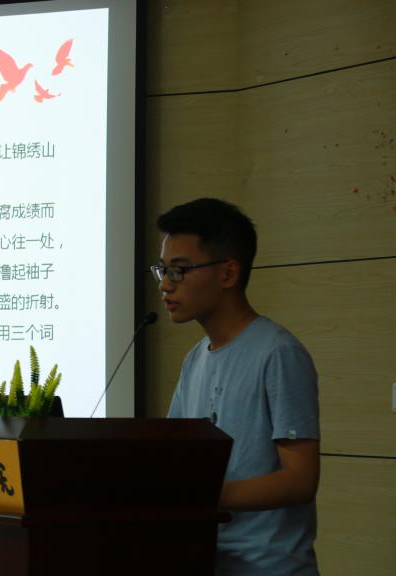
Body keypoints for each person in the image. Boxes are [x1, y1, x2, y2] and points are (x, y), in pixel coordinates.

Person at [154, 198, 320, 575]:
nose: (165, 285)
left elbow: (301, 480)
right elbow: (175, 457)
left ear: (228, 273)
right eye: (162, 270)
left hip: (269, 567)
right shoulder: (195, 359)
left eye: (179, 270)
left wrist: (202, 496)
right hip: (207, 560)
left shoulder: (278, 353)